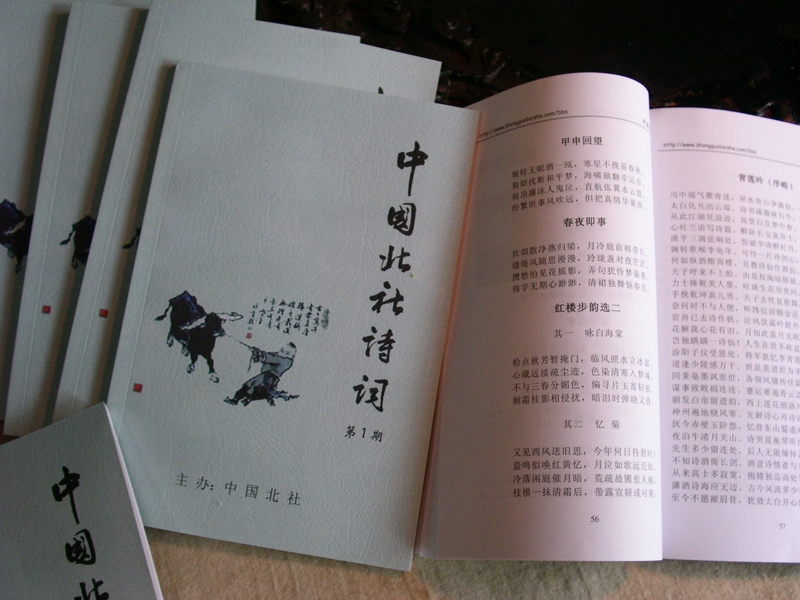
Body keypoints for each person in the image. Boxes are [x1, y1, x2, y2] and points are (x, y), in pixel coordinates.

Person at [224, 342, 297, 406]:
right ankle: (241, 399)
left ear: (291, 356)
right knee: (252, 387)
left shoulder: (284, 361)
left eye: (287, 353)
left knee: (250, 386)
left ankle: (239, 399)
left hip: (267, 377)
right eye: (282, 350)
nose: (282, 353)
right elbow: (270, 355)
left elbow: (271, 358)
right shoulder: (281, 357)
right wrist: (257, 351)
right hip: (267, 377)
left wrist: (260, 354)